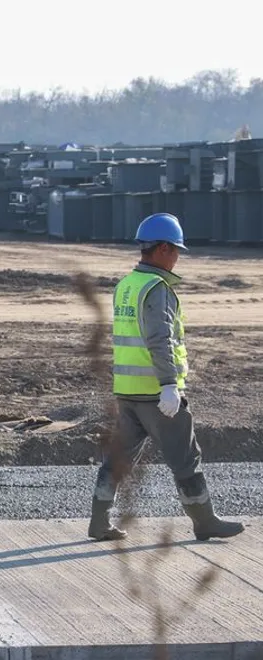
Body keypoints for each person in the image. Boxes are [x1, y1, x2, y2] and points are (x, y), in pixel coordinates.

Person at [87, 213, 244, 542]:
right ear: (161, 249)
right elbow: (160, 340)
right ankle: (204, 521)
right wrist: (169, 385)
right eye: (175, 250)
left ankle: (99, 522)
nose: (177, 257)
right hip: (156, 394)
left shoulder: (126, 286)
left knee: (119, 458)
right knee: (186, 459)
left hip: (127, 391)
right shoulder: (157, 289)